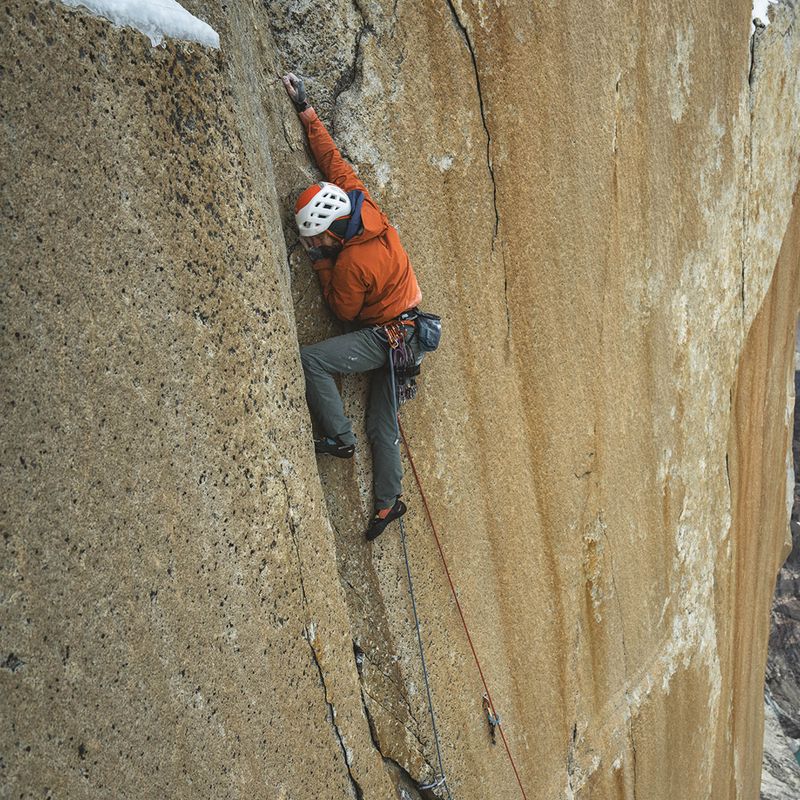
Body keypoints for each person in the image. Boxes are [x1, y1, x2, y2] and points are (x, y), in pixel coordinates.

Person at [282, 71, 423, 541]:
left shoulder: (353, 263)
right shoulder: (360, 202)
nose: (317, 242)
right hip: (411, 332)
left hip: (387, 337)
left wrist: (321, 262)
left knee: (312, 361)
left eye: (317, 236)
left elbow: (342, 311)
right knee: (382, 420)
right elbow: (331, 159)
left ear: (329, 227)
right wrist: (307, 112)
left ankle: (339, 438)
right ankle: (387, 503)